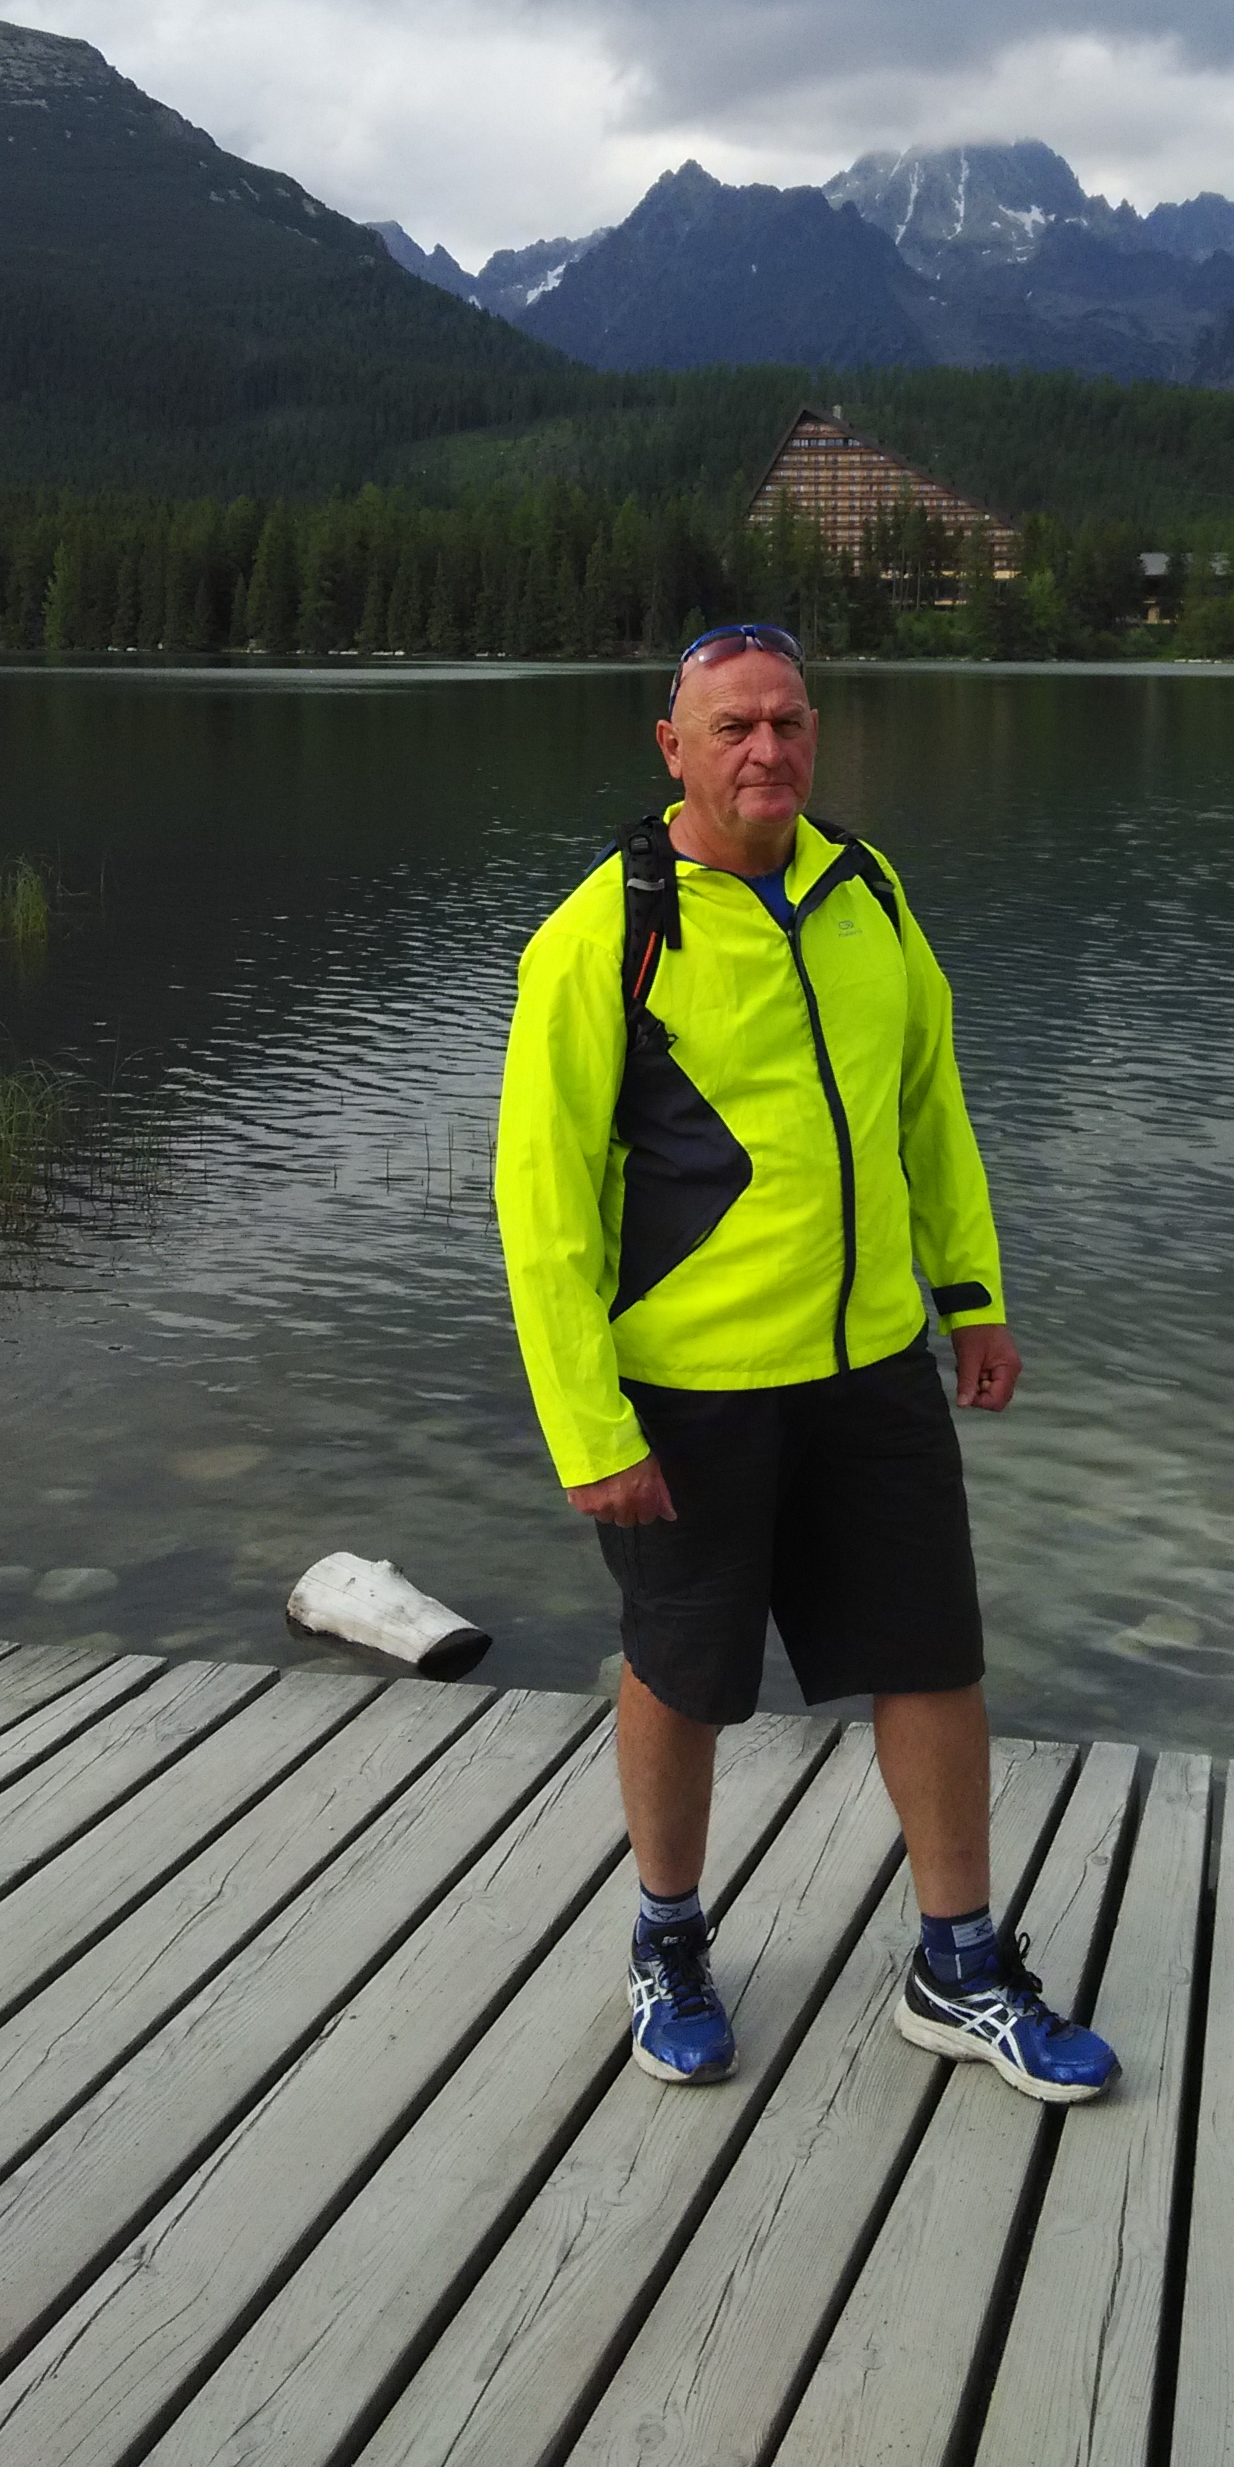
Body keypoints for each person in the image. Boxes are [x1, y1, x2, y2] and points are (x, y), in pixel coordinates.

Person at [495, 618, 1118, 2105]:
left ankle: (958, 1964)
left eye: (787, 721)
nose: (765, 749)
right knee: (682, 1673)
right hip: (691, 1389)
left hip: (871, 1369)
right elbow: (542, 1205)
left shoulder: (867, 892)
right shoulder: (606, 931)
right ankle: (668, 1939)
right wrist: (589, 1427)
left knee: (932, 1655)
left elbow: (928, 1104)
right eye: (733, 727)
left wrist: (972, 1296)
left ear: (815, 734)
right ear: (674, 749)